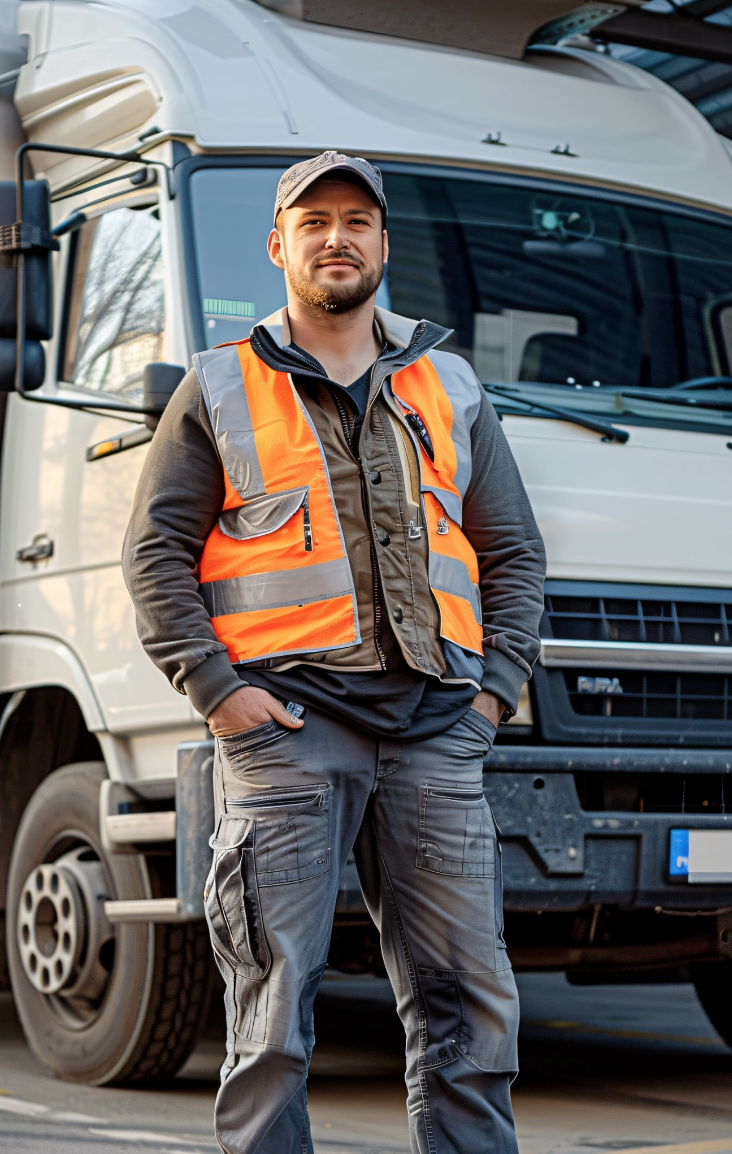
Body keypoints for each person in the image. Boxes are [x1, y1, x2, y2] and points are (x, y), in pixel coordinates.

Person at [123, 151, 546, 1154]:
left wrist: (494, 695)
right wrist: (219, 691)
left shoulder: (449, 386)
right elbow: (154, 555)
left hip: (437, 730)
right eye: (314, 222)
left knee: (469, 1007)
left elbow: (513, 550)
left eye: (357, 220)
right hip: (288, 730)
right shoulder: (220, 385)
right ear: (278, 246)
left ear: (384, 246)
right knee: (272, 1013)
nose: (336, 237)